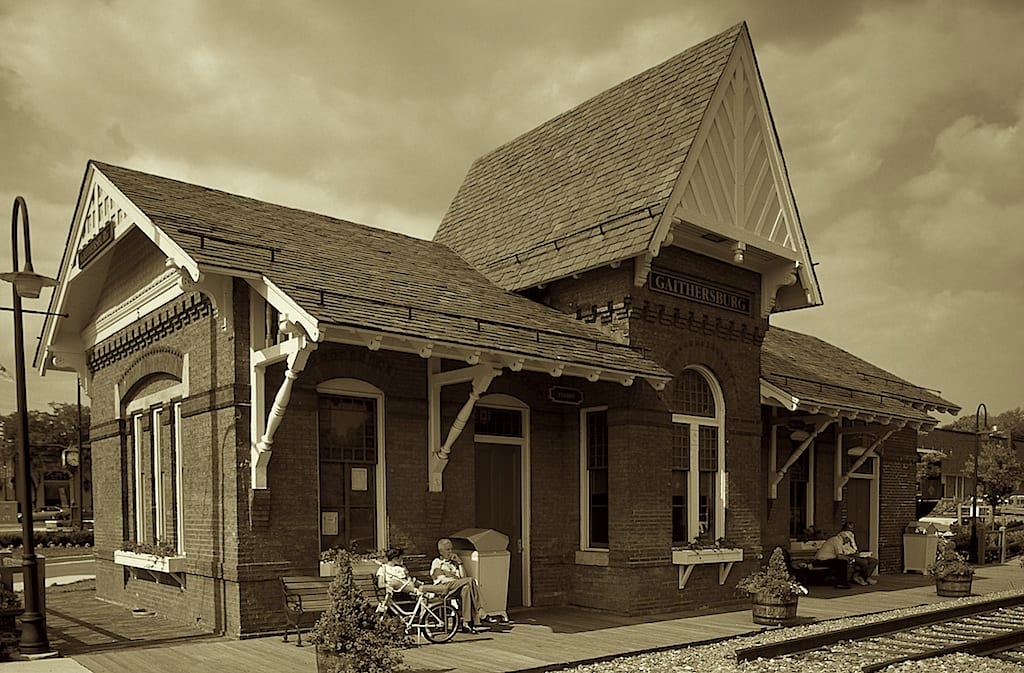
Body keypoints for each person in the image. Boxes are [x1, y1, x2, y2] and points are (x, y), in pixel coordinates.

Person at [431, 538, 488, 633]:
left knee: (466, 589)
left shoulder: (454, 563)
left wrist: (460, 563)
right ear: (441, 551)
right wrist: (456, 580)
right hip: (444, 589)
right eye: (447, 550)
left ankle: (466, 622)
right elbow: (441, 579)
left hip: (456, 588)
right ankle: (479, 608)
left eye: (451, 549)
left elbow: (463, 577)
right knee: (470, 580)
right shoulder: (437, 562)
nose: (450, 552)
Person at [839, 521, 878, 585]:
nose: (850, 531)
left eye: (851, 528)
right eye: (848, 529)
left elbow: (854, 546)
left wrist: (857, 552)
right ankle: (859, 577)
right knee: (864, 563)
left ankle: (864, 577)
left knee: (874, 561)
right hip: (849, 556)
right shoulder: (841, 537)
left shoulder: (852, 536)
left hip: (855, 554)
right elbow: (843, 550)